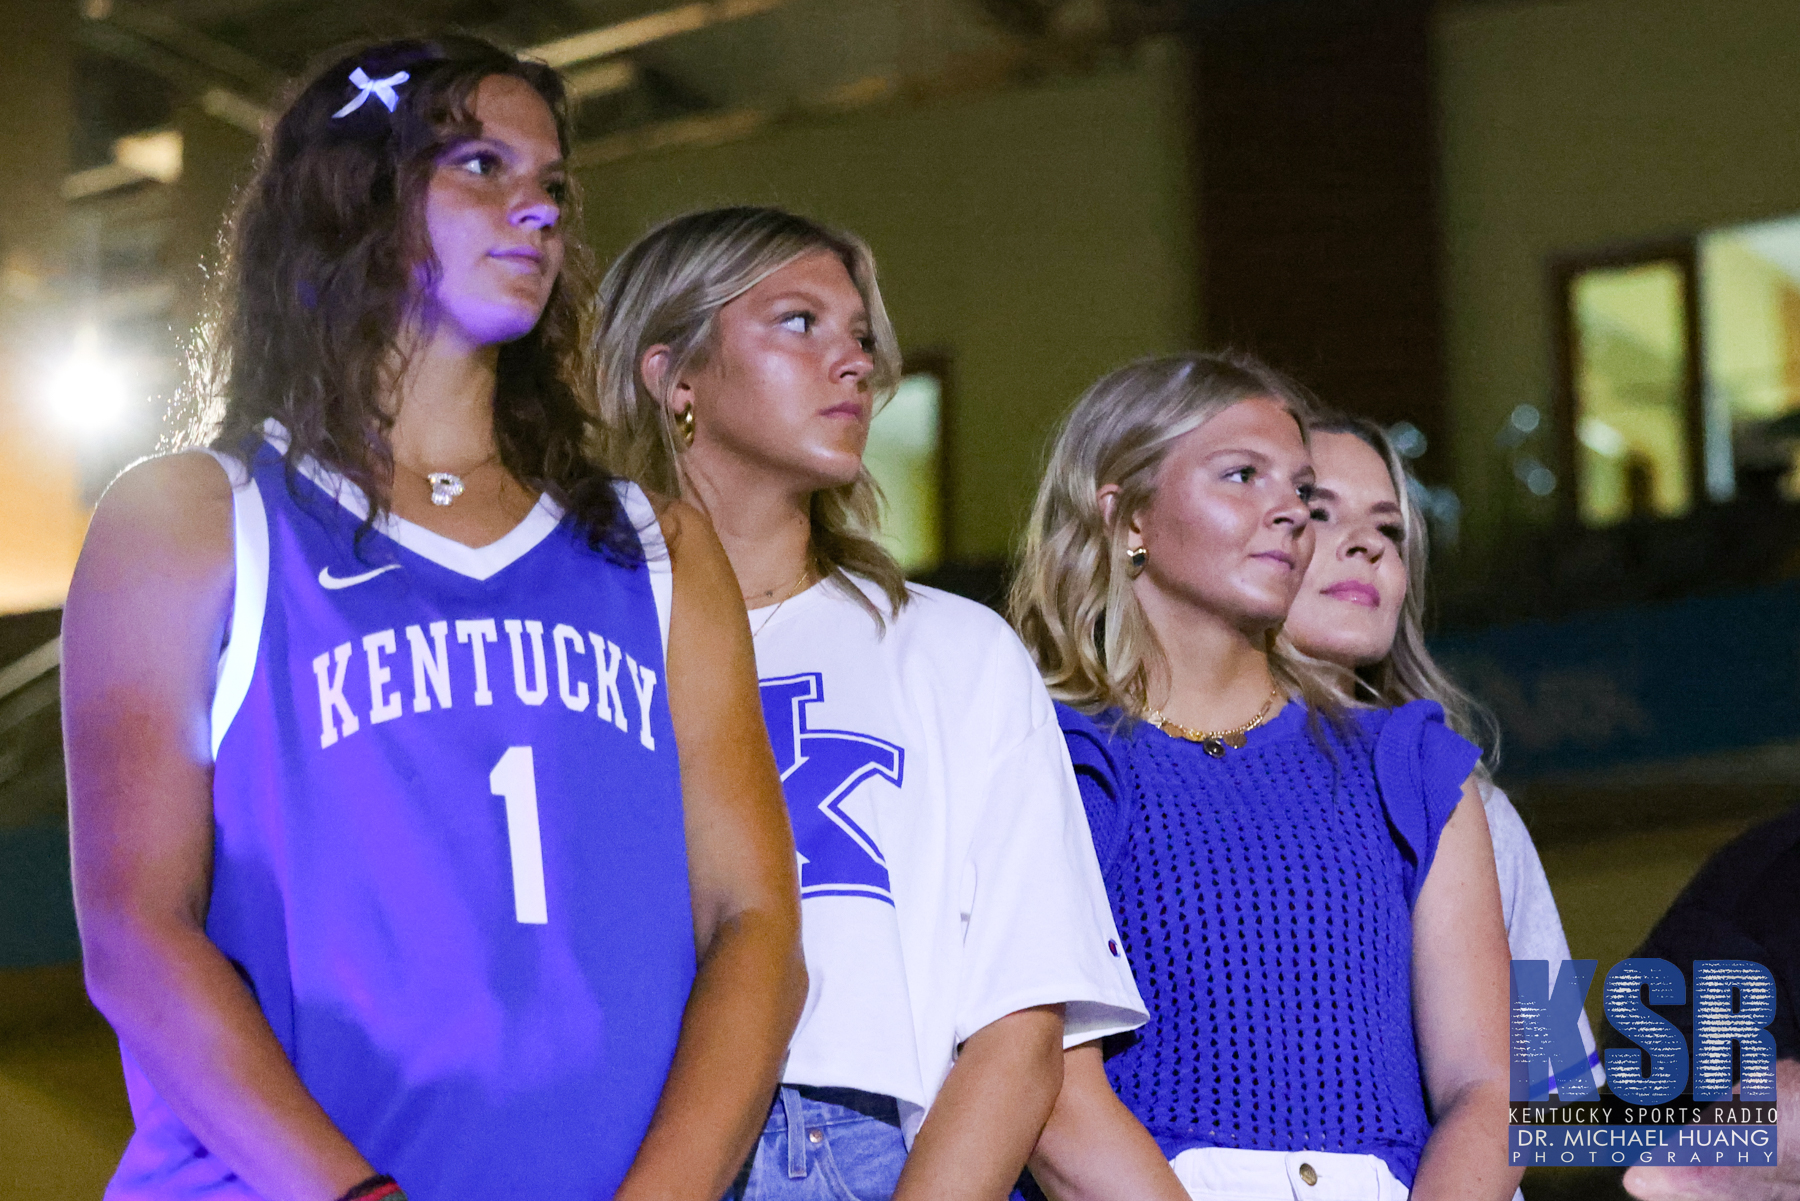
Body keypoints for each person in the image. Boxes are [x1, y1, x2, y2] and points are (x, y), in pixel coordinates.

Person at [62, 39, 802, 1201]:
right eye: (479, 165)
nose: (536, 211)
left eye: (551, 183)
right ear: (353, 197)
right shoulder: (198, 521)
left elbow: (754, 921)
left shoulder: (654, 544)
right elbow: (137, 932)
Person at [591, 205, 1148, 1201]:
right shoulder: (564, 637)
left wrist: (1533, 1141)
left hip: (850, 1145)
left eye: (860, 337)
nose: (855, 362)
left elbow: (1022, 1027)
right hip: (601, 1119)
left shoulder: (951, 647)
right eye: (800, 323)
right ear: (671, 373)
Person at [1008, 353, 1519, 1201]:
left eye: (1300, 490)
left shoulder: (1417, 765)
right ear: (1127, 515)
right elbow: (1046, 1084)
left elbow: (1493, 1084)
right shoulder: (1049, 755)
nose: (1290, 513)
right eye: (1243, 475)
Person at [1278, 413, 1602, 1096]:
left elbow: (1554, 1081)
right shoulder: (1133, 777)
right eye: (1320, 512)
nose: (1365, 543)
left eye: (1389, 528)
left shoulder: (1472, 809)